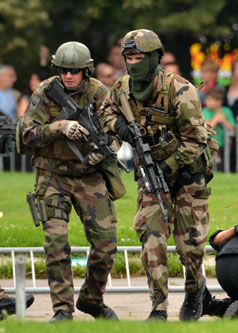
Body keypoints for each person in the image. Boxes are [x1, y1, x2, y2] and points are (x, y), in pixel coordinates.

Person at [100, 29, 215, 321]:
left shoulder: (180, 89)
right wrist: (120, 127)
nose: (133, 63)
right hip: (150, 173)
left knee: (190, 245)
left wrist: (170, 165)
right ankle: (159, 306)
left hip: (189, 172)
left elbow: (197, 140)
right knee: (152, 238)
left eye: (139, 57)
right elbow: (104, 113)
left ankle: (194, 289)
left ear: (154, 58)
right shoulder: (122, 88)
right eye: (129, 57)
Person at [20, 41, 122, 322]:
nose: (68, 76)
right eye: (64, 70)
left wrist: (106, 145)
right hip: (52, 176)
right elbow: (27, 134)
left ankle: (91, 300)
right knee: (56, 241)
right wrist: (60, 127)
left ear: (85, 71)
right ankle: (62, 309)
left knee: (106, 243)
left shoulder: (99, 93)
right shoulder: (45, 91)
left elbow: (116, 129)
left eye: (75, 71)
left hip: (89, 175)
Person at [202, 87, 235, 169]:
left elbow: (233, 129)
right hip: (208, 145)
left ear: (219, 101)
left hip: (223, 144)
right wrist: (216, 119)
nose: (207, 102)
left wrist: (224, 121)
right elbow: (207, 128)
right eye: (207, 99)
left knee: (222, 166)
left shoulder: (226, 111)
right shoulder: (204, 111)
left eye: (210, 100)